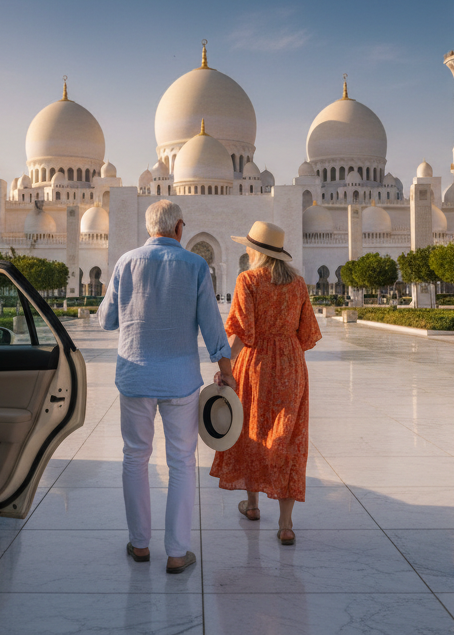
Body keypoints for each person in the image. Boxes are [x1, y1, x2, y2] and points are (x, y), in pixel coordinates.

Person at [99, 200, 234, 573]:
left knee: (135, 458)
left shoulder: (126, 263)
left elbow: (106, 320)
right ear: (179, 229)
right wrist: (228, 372)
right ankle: (177, 552)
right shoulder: (195, 265)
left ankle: (139, 545)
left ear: (149, 228)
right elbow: (212, 328)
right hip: (180, 382)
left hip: (136, 377)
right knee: (181, 462)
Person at [208, 220, 321, 545]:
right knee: (289, 436)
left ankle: (253, 504)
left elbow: (242, 332)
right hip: (291, 363)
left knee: (252, 430)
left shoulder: (249, 280)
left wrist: (225, 368)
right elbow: (308, 334)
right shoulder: (298, 284)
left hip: (255, 364)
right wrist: (286, 351)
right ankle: (286, 524)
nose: (246, 249)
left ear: (257, 251)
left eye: (249, 245)